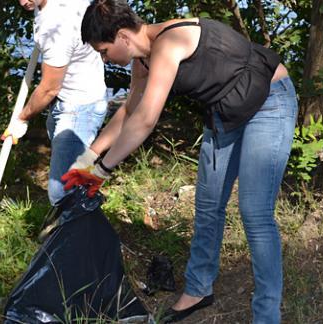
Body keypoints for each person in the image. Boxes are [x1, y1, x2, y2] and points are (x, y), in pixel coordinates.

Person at [62, 0, 298, 323]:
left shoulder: (169, 44)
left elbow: (145, 119)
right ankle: (199, 288)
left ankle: (266, 315)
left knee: (254, 212)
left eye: (103, 51)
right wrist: (88, 157)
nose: (104, 59)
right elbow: (129, 111)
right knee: (208, 205)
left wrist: (102, 170)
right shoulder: (142, 62)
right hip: (226, 112)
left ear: (122, 37)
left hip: (268, 101)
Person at [2, 0, 108, 206]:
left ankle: (81, 232)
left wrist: (21, 119)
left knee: (62, 191)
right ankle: (76, 215)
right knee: (71, 177)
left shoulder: (56, 26)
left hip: (79, 107)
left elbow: (49, 89)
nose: (24, 2)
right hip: (69, 100)